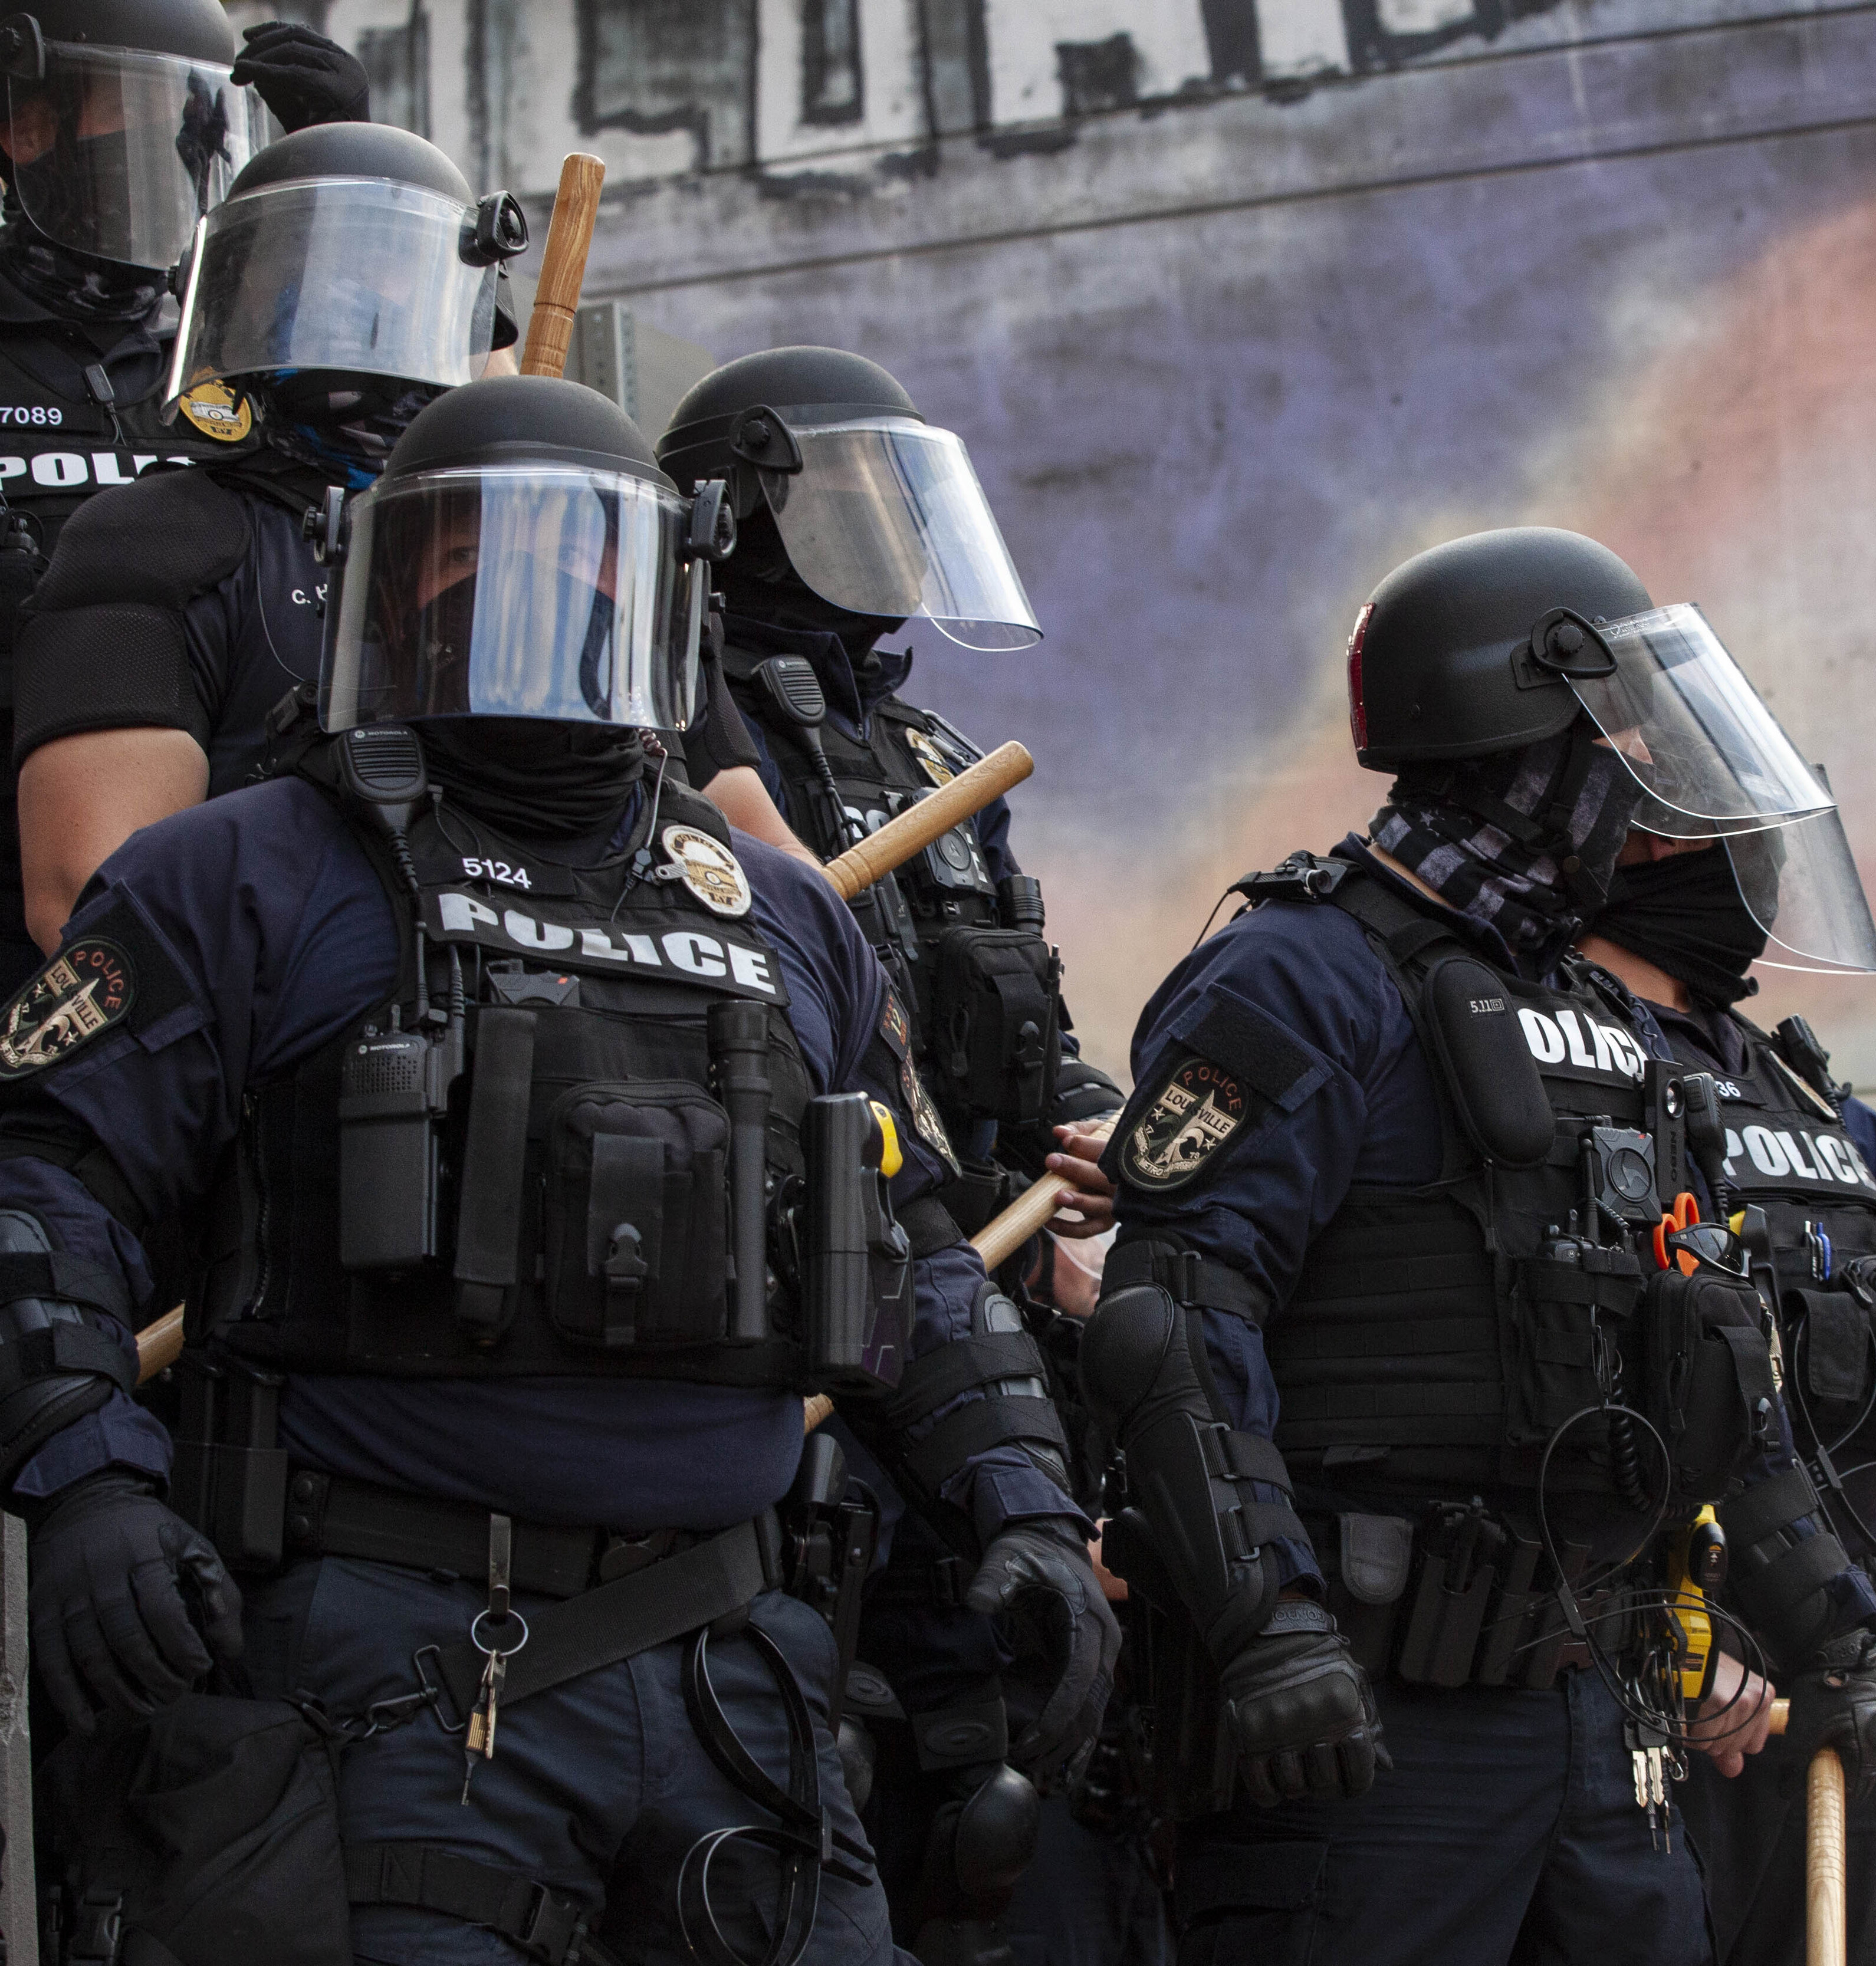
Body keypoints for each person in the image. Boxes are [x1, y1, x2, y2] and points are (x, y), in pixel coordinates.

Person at [1, 374, 1113, 1965]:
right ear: (392, 585)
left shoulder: (783, 920)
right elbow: (44, 1181)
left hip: (742, 1677)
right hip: (391, 1686)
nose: (530, 604)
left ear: (662, 600)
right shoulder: (239, 870)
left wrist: (1020, 1495)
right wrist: (86, 1477)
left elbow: (917, 1240)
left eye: (584, 567)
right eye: (472, 563)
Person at [1083, 525, 1876, 1963]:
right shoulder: (1306, 971)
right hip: (1369, 1717)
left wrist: (1830, 1627)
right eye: (1625, 741)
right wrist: (1265, 1619)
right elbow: (1175, 1322)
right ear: (1532, 747)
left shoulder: (1607, 1019)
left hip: (1598, 1707)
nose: (1654, 794)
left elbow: (1714, 1354)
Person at [656, 344, 1132, 1964]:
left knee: (1007, 1788)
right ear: (737, 515)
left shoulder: (936, 759)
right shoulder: (673, 726)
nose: (887, 533)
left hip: (987, 1313)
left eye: (897, 498)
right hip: (811, 1320)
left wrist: (1095, 1135)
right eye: (847, 497)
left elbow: (1034, 1017)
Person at [1572, 816, 1876, 1964]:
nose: (1759, 877)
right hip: (1671, 1686)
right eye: (1715, 842)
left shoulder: (1832, 1120)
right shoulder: (1570, 1074)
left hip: (1844, 1682)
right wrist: (1662, 1639)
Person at [11, 117, 527, 952]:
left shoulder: (520, 547)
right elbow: (92, 899)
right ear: (234, 293)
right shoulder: (155, 536)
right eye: (324, 266)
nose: (366, 302)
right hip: (286, 1028)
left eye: (401, 267)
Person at [0, 0, 364, 988]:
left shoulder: (233, 366)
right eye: (138, 112)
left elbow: (456, 465)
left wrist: (346, 170)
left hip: (220, 920)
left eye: (196, 125)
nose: (176, 154)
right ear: (23, 126)